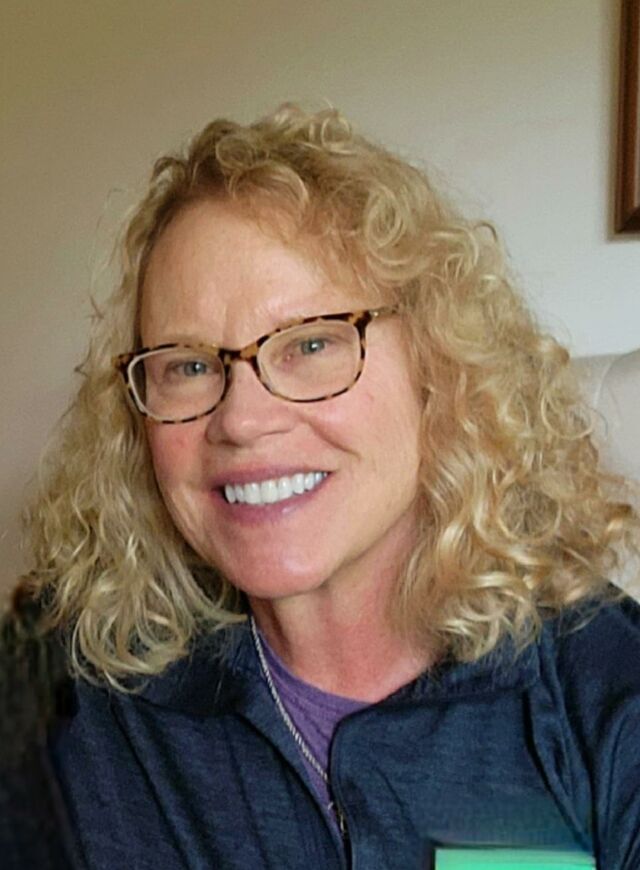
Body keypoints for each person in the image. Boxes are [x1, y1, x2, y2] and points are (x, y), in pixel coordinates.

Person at [1, 104, 639, 870]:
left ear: (439, 368)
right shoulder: (71, 690)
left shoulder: (600, 685)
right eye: (189, 365)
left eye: (310, 344)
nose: (241, 420)